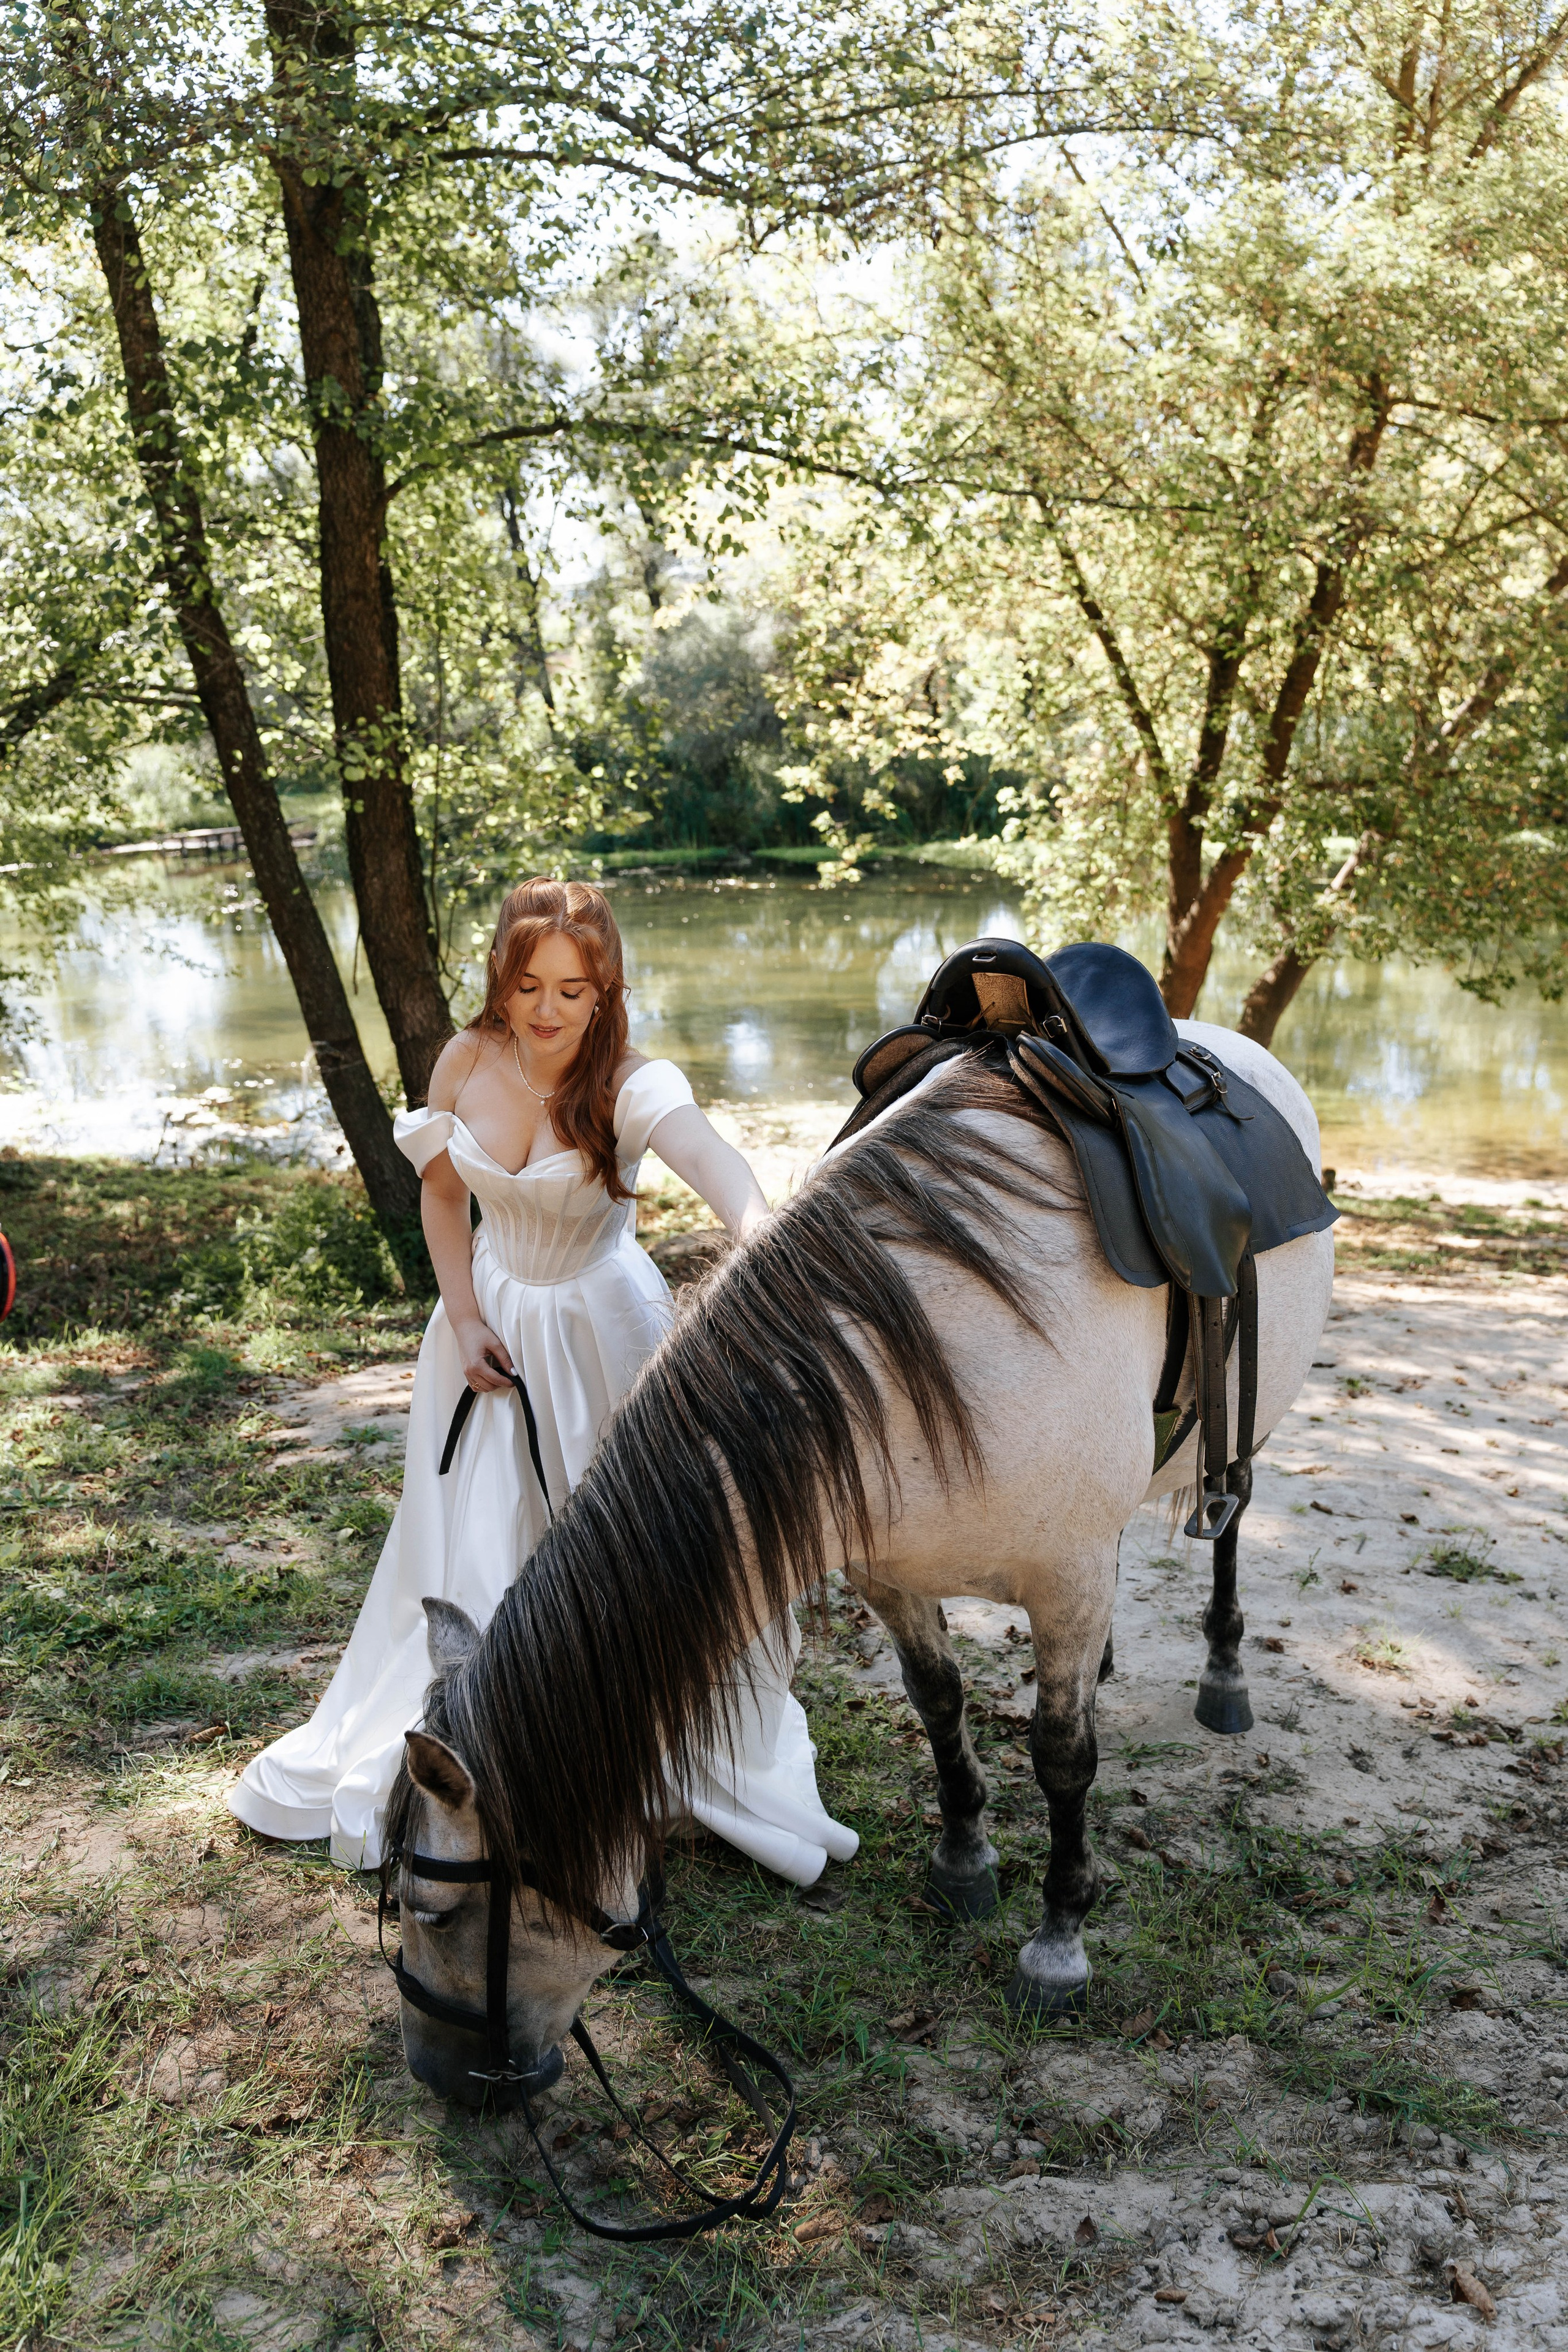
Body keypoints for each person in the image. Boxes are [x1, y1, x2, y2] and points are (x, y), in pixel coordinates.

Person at [228, 877, 857, 1887]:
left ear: (605, 991)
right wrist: (467, 1316)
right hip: (485, 1328)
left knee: (610, 1540)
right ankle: (485, 1738)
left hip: (601, 1330)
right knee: (477, 1534)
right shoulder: (466, 1060)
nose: (549, 1009)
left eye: (573, 988)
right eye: (530, 984)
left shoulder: (629, 1082)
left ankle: (608, 1731)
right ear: (502, 982)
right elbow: (442, 1199)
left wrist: (761, 1236)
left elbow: (714, 1158)